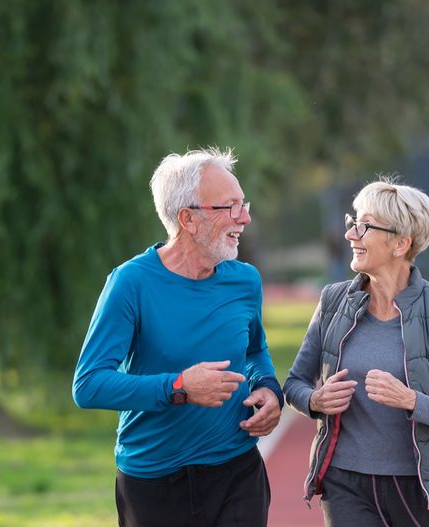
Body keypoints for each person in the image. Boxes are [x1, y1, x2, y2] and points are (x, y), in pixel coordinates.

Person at [73, 147, 283, 527]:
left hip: (237, 471)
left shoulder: (245, 280)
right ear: (188, 218)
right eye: (230, 207)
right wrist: (180, 387)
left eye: (244, 204)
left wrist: (268, 387)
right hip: (154, 481)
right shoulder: (130, 283)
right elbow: (88, 386)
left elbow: (255, 349)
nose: (246, 217)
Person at [283, 177, 429, 527]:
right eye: (353, 223)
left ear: (400, 243)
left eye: (364, 226)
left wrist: (411, 400)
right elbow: (294, 384)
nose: (350, 235)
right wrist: (315, 401)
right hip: (345, 484)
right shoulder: (333, 302)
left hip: (423, 491)